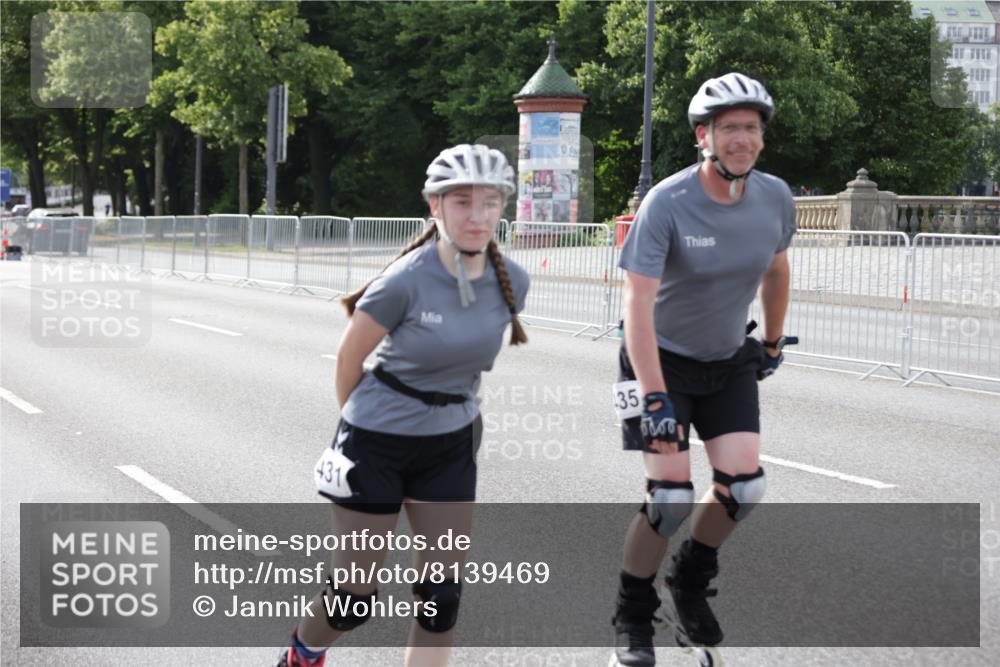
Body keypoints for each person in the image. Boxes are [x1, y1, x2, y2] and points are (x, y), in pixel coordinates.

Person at [276, 144, 529, 667]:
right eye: (462, 202)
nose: (477, 215)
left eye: (489, 202)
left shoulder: (513, 283)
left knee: (441, 600)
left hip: (451, 444)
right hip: (376, 443)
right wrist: (363, 436)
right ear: (434, 206)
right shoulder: (403, 282)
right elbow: (349, 363)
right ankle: (304, 652)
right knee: (352, 601)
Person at [609, 72, 797, 667]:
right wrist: (654, 395)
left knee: (745, 486)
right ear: (703, 137)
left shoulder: (774, 197)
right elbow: (636, 305)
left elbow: (776, 269)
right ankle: (633, 616)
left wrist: (768, 341)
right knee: (669, 499)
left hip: (725, 358)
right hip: (655, 360)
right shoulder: (668, 201)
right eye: (729, 129)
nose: (742, 138)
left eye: (751, 128)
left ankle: (689, 577)